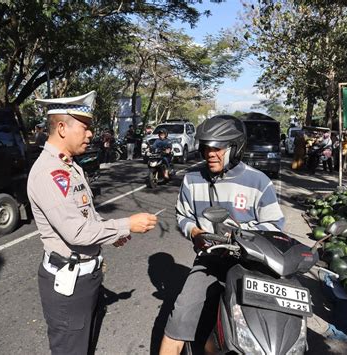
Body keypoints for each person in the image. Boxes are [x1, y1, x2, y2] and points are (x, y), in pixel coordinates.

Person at [28, 91, 158, 355]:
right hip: (69, 284)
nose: (90, 134)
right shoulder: (49, 173)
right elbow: (76, 232)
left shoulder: (71, 167)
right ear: (62, 128)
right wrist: (126, 225)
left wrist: (112, 235)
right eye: (85, 128)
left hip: (86, 278)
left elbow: (87, 215)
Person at [159, 115, 285, 355]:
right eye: (206, 147)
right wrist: (194, 232)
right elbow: (182, 215)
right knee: (179, 317)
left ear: (235, 148)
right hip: (210, 260)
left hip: (251, 263)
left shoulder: (259, 182)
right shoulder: (192, 179)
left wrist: (242, 237)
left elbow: (274, 225)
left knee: (265, 330)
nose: (210, 153)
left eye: (218, 148)